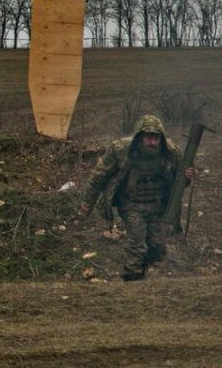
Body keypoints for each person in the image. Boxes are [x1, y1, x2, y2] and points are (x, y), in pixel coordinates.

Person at [78, 114, 196, 281]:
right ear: (139, 137)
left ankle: (141, 274)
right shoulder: (120, 150)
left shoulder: (171, 152)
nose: (152, 142)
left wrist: (187, 176)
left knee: (158, 248)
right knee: (137, 242)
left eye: (156, 138)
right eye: (148, 138)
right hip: (131, 205)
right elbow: (98, 177)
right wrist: (86, 204)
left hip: (158, 206)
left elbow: (180, 181)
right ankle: (131, 277)